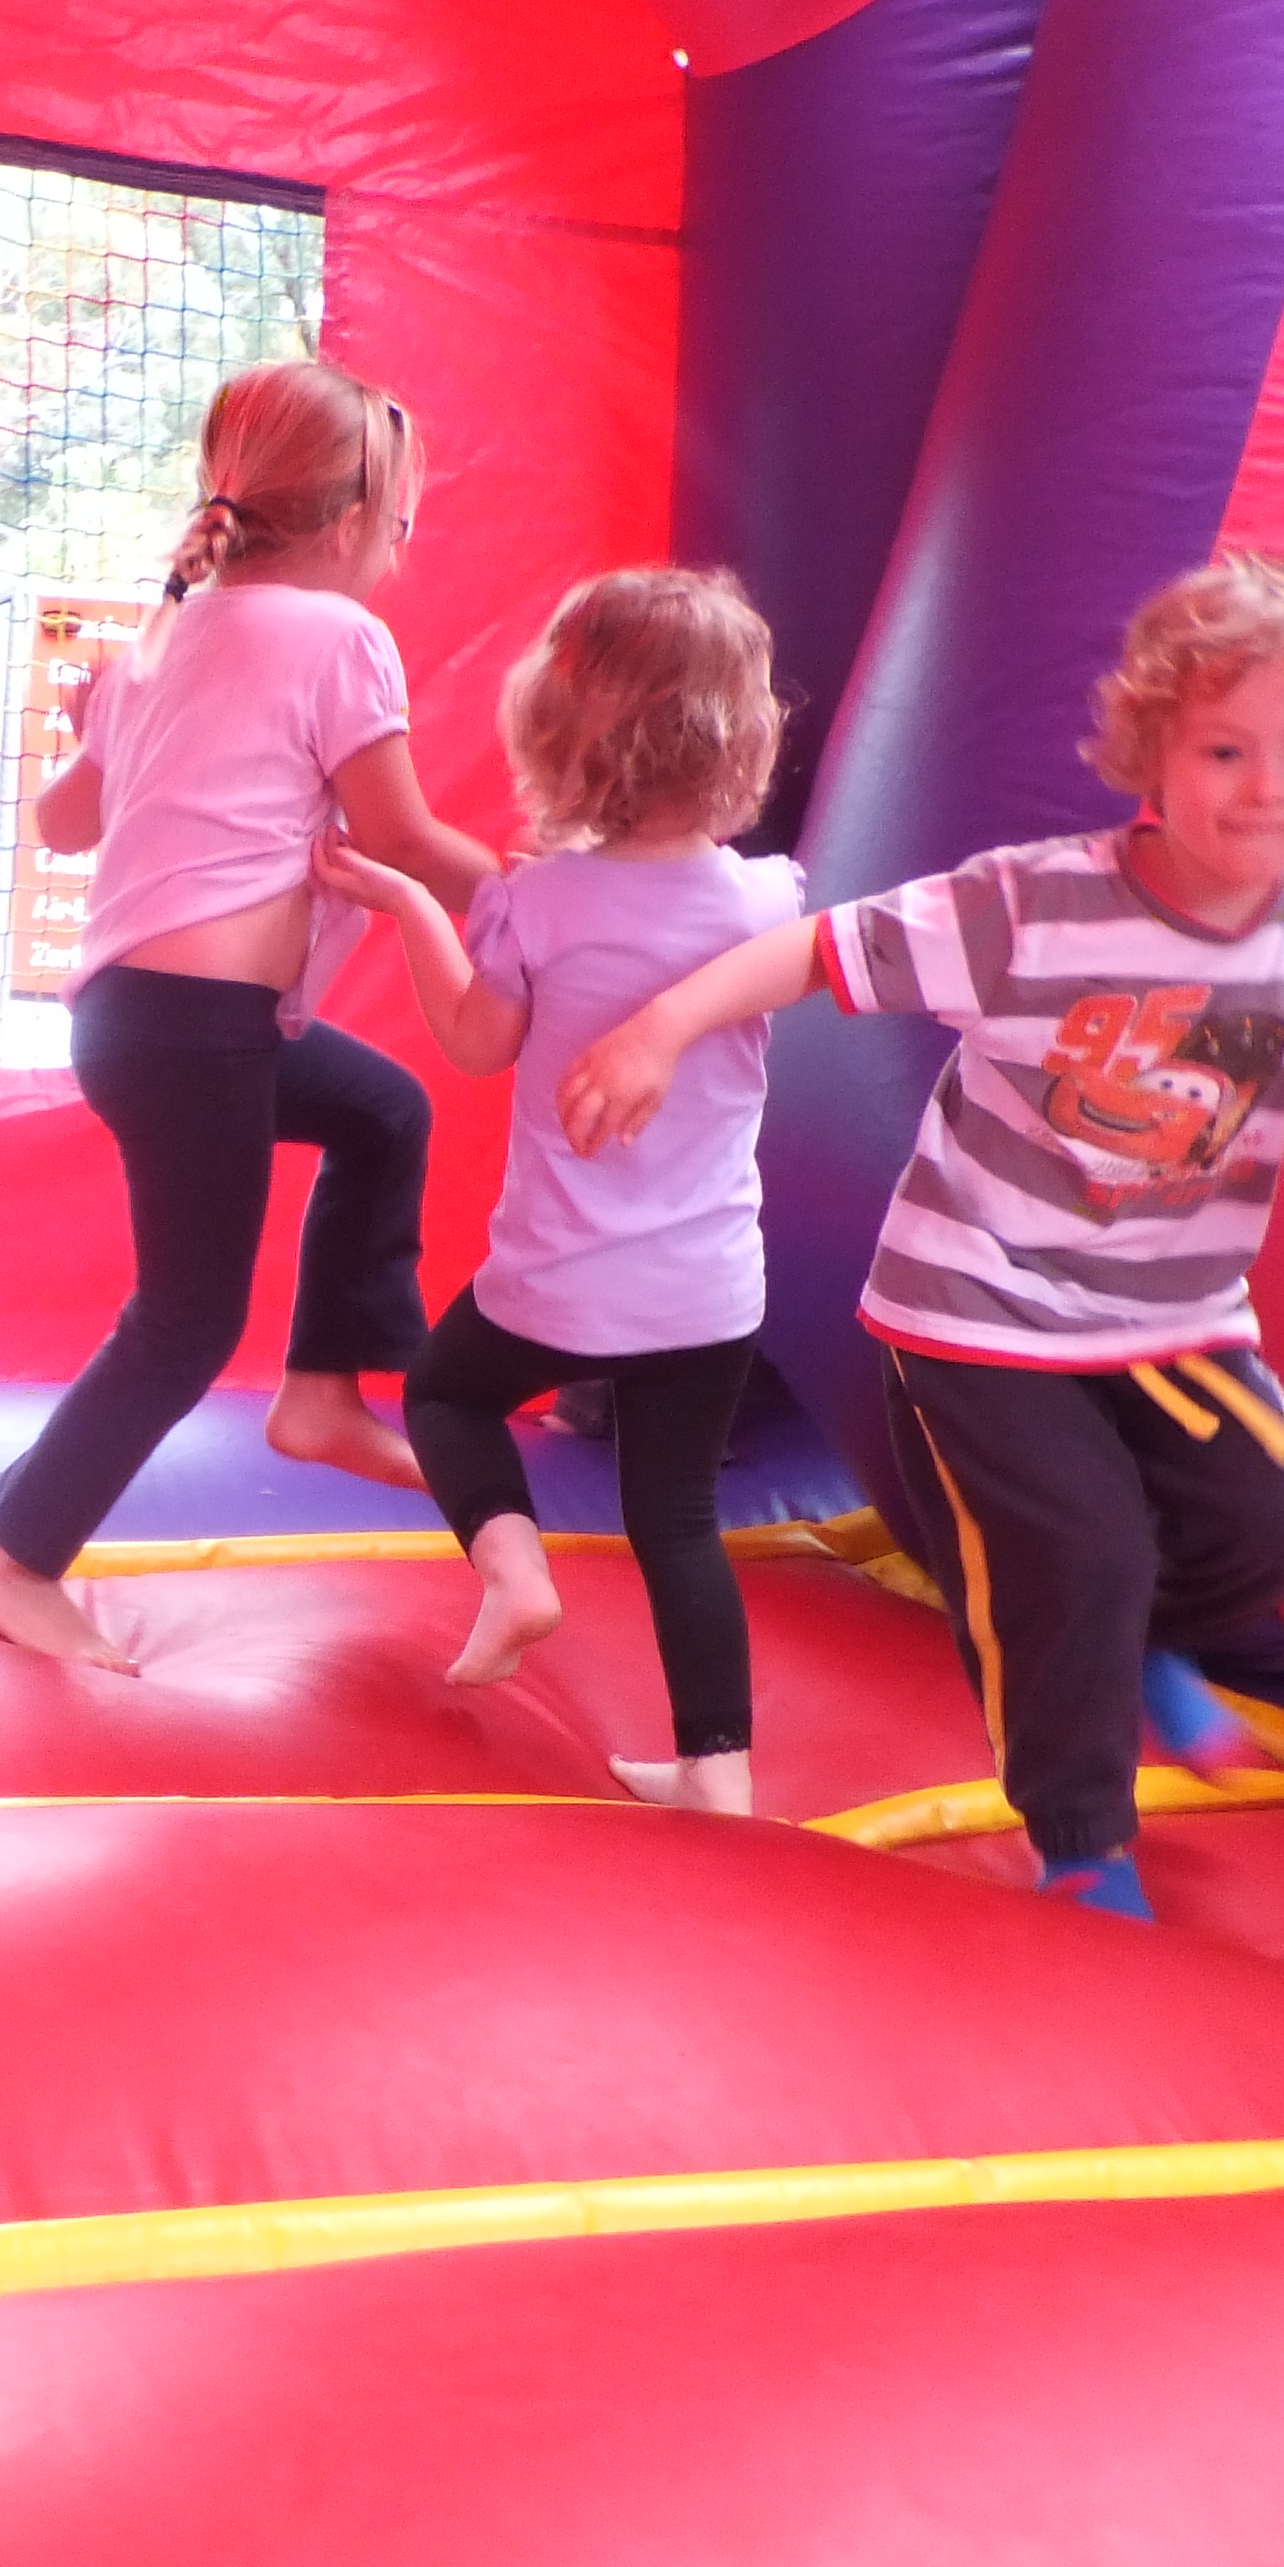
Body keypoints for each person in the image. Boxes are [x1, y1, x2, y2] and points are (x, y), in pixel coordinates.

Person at [556, 553, 1284, 1915]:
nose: (1269, 788)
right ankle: (1082, 1837)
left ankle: (1143, 1648)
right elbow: (818, 951)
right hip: (980, 1304)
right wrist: (660, 1026)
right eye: (1226, 749)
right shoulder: (1037, 905)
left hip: (1174, 1312)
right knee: (1072, 1560)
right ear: (1153, 749)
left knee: (1281, 1528)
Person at [0, 361, 498, 1671]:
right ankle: (18, 1558)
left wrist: (108, 722)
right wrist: (552, 903)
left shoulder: (165, 638)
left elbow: (63, 824)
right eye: (402, 529)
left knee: (382, 1109)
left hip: (146, 1020)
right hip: (197, 1028)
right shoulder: (338, 640)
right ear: (346, 522)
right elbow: (401, 836)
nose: (397, 559)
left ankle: (322, 1391)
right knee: (188, 1318)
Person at [319, 565, 798, 1812]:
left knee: (443, 1392)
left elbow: (479, 1046)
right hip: (710, 1291)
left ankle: (514, 1565)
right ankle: (721, 1771)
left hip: (561, 1283)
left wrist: (421, 908)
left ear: (557, 730)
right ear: (740, 739)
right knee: (678, 1519)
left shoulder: (540, 902)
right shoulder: (768, 900)